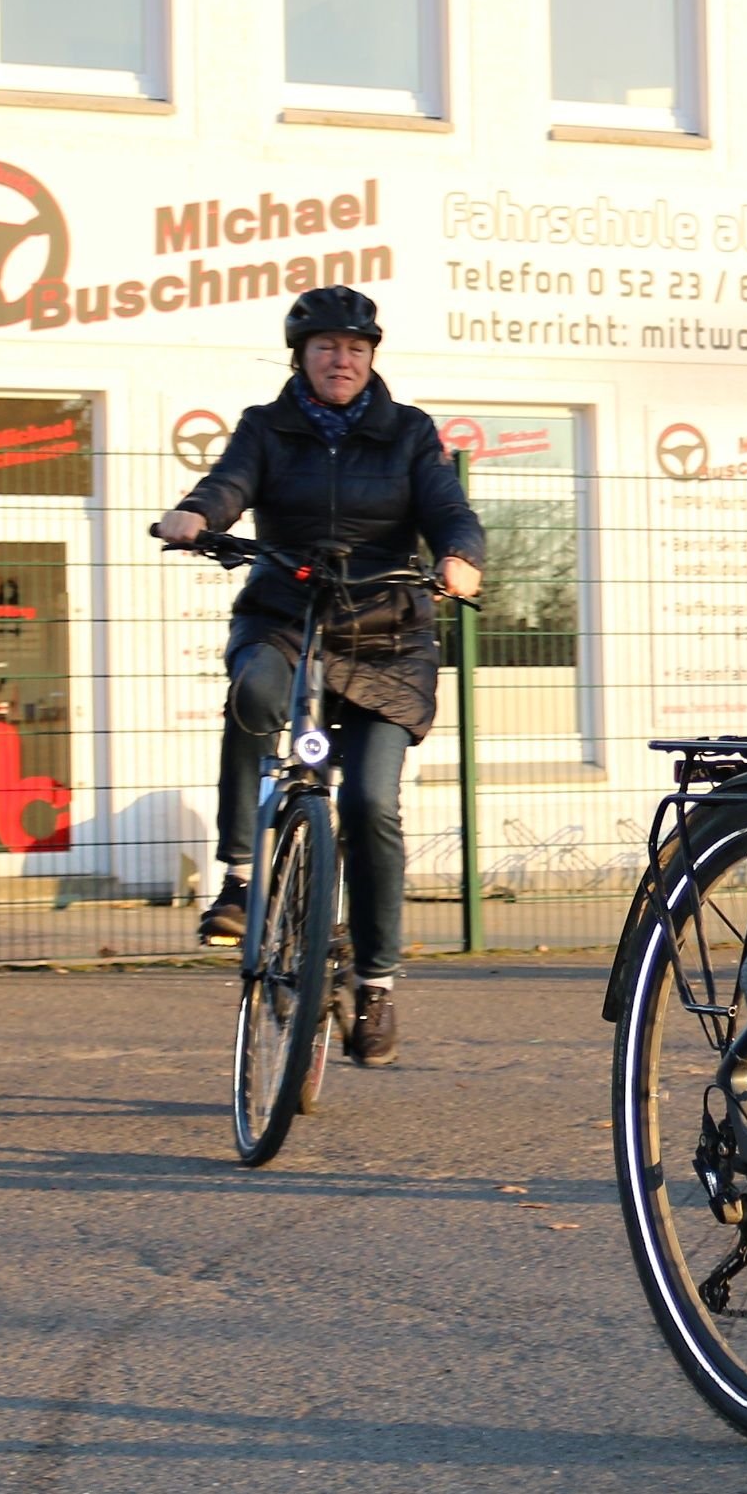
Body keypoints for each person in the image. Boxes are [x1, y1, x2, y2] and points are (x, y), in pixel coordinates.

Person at [154, 287, 485, 1067]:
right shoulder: (266, 427)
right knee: (256, 693)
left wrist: (460, 556)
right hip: (287, 615)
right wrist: (197, 515)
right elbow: (229, 483)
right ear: (300, 354)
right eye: (328, 346)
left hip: (387, 633)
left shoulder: (408, 433)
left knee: (371, 800)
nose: (343, 359)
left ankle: (375, 982)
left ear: (372, 357)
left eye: (357, 348)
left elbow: (447, 509)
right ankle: (239, 879)